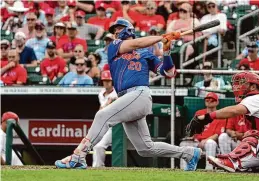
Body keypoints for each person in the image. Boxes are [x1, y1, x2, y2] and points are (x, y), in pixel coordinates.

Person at [55, 18, 202, 170]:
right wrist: (163, 37)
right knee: (145, 149)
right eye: (114, 30)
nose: (116, 32)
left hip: (139, 94)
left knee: (102, 116)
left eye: (118, 28)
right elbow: (137, 43)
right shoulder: (114, 46)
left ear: (128, 29)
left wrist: (166, 49)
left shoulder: (145, 53)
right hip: (127, 98)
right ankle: (188, 153)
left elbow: (169, 72)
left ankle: (79, 155)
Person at [193, 72, 259, 172]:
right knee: (245, 162)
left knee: (253, 138)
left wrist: (207, 117)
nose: (237, 86)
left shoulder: (256, 98)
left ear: (253, 87)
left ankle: (231, 160)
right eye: (237, 83)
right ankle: (242, 165)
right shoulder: (256, 99)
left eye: (242, 83)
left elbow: (233, 111)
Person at [180, 92, 226, 170]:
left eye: (212, 100)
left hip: (212, 143)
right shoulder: (199, 113)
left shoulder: (220, 114)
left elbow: (218, 134)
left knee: (210, 143)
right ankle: (184, 170)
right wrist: (192, 137)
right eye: (207, 100)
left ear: (217, 102)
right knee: (184, 144)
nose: (209, 101)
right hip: (197, 141)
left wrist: (205, 141)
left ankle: (209, 168)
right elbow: (193, 129)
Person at [92, 70, 118, 167]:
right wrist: (107, 103)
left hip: (115, 126)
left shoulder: (117, 93)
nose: (106, 83)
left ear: (112, 81)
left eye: (108, 81)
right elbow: (101, 111)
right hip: (105, 124)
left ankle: (99, 169)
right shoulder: (101, 93)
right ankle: (97, 169)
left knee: (99, 146)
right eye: (104, 81)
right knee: (95, 145)